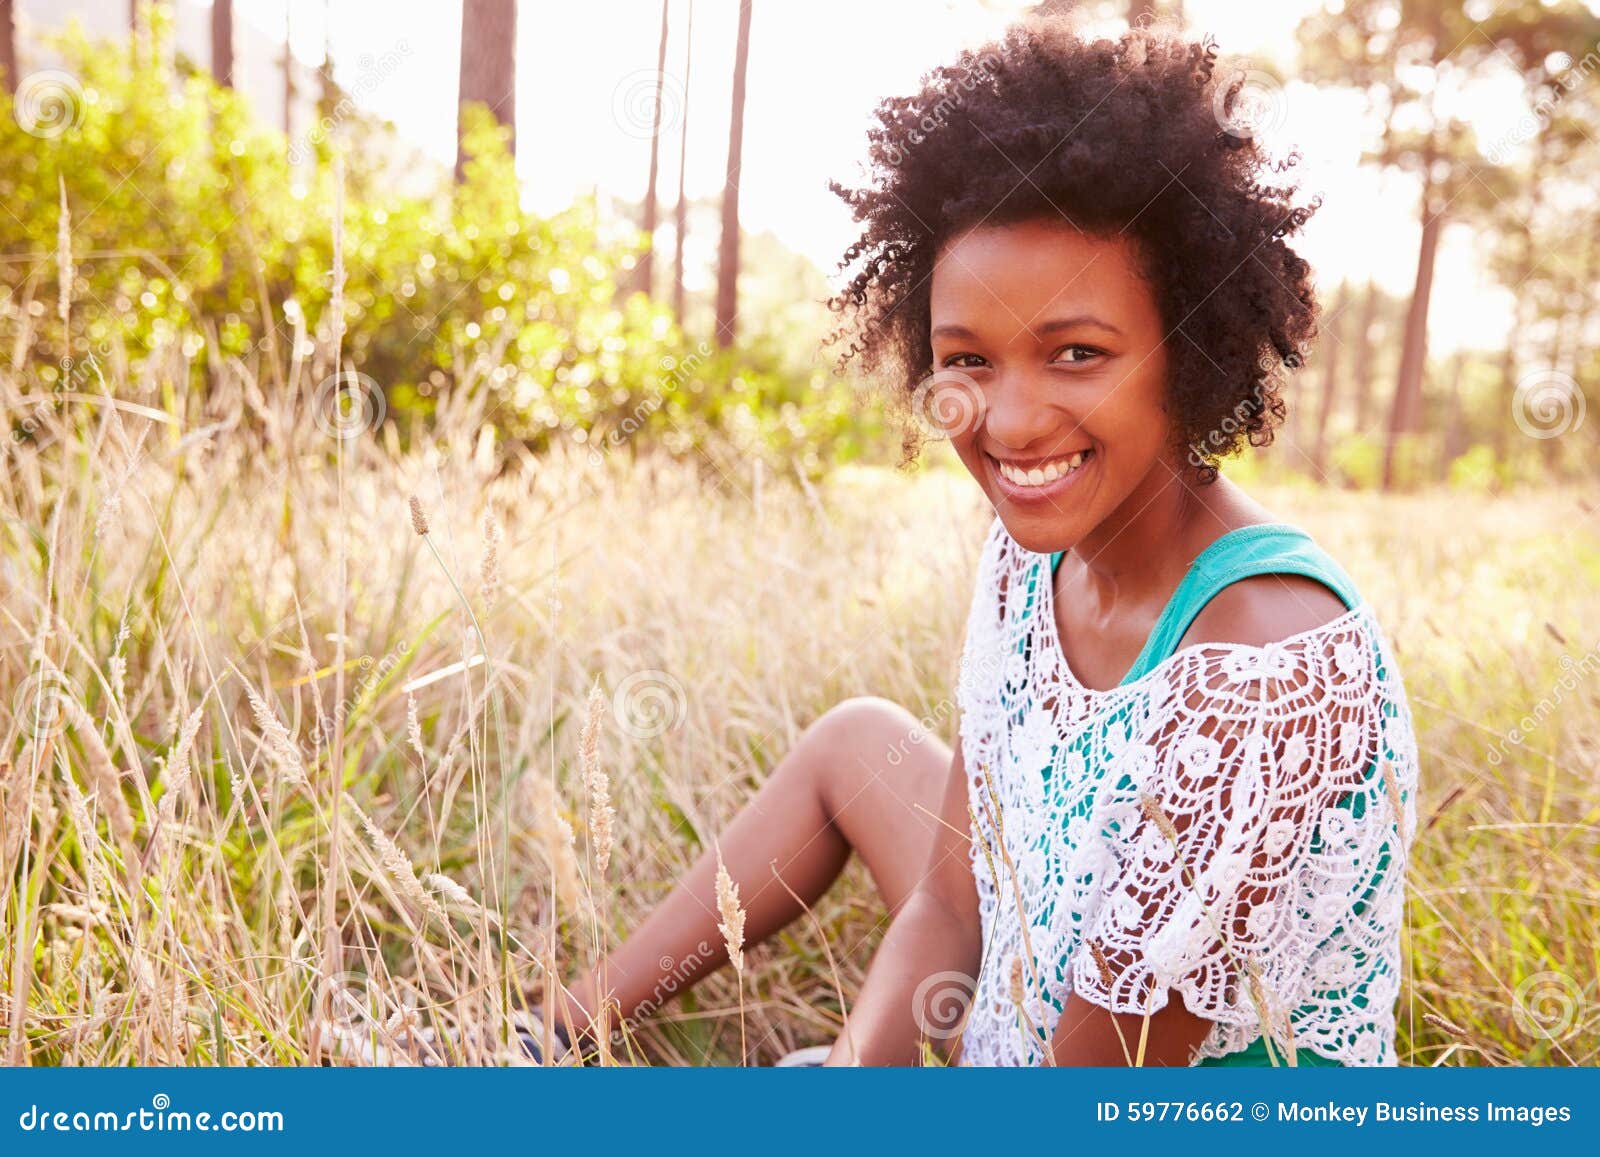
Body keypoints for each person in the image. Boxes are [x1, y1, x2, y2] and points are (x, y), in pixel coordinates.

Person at [533, 14, 1420, 1067]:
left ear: (1189, 351)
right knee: (857, 745)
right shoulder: (1031, 555)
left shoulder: (1262, 667)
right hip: (1034, 986)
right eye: (971, 360)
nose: (1007, 422)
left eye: (1076, 353)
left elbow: (1090, 1098)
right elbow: (953, 897)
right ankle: (539, 1034)